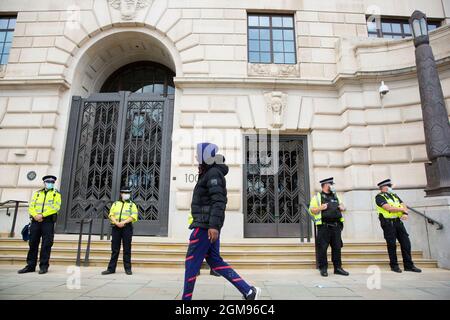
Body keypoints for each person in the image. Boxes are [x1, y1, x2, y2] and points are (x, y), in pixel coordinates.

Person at [182, 142, 261, 300]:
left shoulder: (213, 173)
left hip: (205, 227)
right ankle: (249, 291)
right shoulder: (210, 172)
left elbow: (218, 201)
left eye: (199, 154)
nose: (196, 157)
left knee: (191, 263)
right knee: (216, 262)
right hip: (207, 226)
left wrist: (213, 226)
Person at [375, 179, 422, 273]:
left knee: (406, 243)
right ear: (384, 187)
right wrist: (402, 210)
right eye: (389, 186)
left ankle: (409, 265)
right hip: (388, 223)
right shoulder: (379, 197)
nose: (391, 188)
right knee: (392, 244)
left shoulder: (394, 196)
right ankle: (394, 265)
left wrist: (405, 213)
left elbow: (404, 205)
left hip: (398, 222)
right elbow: (388, 208)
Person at [18, 175, 61, 274]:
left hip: (48, 222)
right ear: (44, 183)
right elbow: (31, 206)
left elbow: (55, 207)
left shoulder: (56, 194)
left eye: (52, 182)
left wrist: (42, 215)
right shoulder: (37, 194)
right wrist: (35, 215)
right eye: (48, 182)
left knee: (46, 244)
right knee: (32, 243)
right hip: (35, 221)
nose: (50, 183)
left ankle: (44, 266)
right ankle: (30, 265)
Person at [309, 177, 349, 277]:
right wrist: (320, 208)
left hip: (336, 226)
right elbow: (312, 210)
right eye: (331, 184)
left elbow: (342, 206)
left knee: (337, 247)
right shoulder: (317, 197)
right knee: (322, 248)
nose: (332, 186)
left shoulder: (336, 196)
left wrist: (343, 207)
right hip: (324, 226)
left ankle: (338, 268)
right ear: (326, 185)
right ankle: (323, 268)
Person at [102, 188, 138, 275]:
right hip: (116, 227)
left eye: (128, 193)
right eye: (125, 193)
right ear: (121, 194)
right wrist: (117, 223)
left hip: (127, 227)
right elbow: (111, 214)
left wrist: (123, 222)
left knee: (127, 249)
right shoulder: (115, 204)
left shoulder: (132, 205)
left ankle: (128, 269)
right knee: (115, 249)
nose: (127, 194)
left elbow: (133, 216)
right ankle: (111, 269)